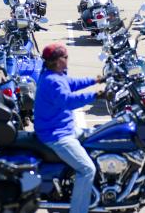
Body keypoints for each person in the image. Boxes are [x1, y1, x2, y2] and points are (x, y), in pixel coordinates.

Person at [34, 42, 105, 213]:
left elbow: (72, 83)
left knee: (99, 137)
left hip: (64, 128)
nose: (68, 60)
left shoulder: (56, 75)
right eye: (65, 57)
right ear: (58, 61)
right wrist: (97, 95)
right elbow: (69, 101)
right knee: (87, 169)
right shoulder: (52, 81)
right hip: (57, 135)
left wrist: (96, 80)